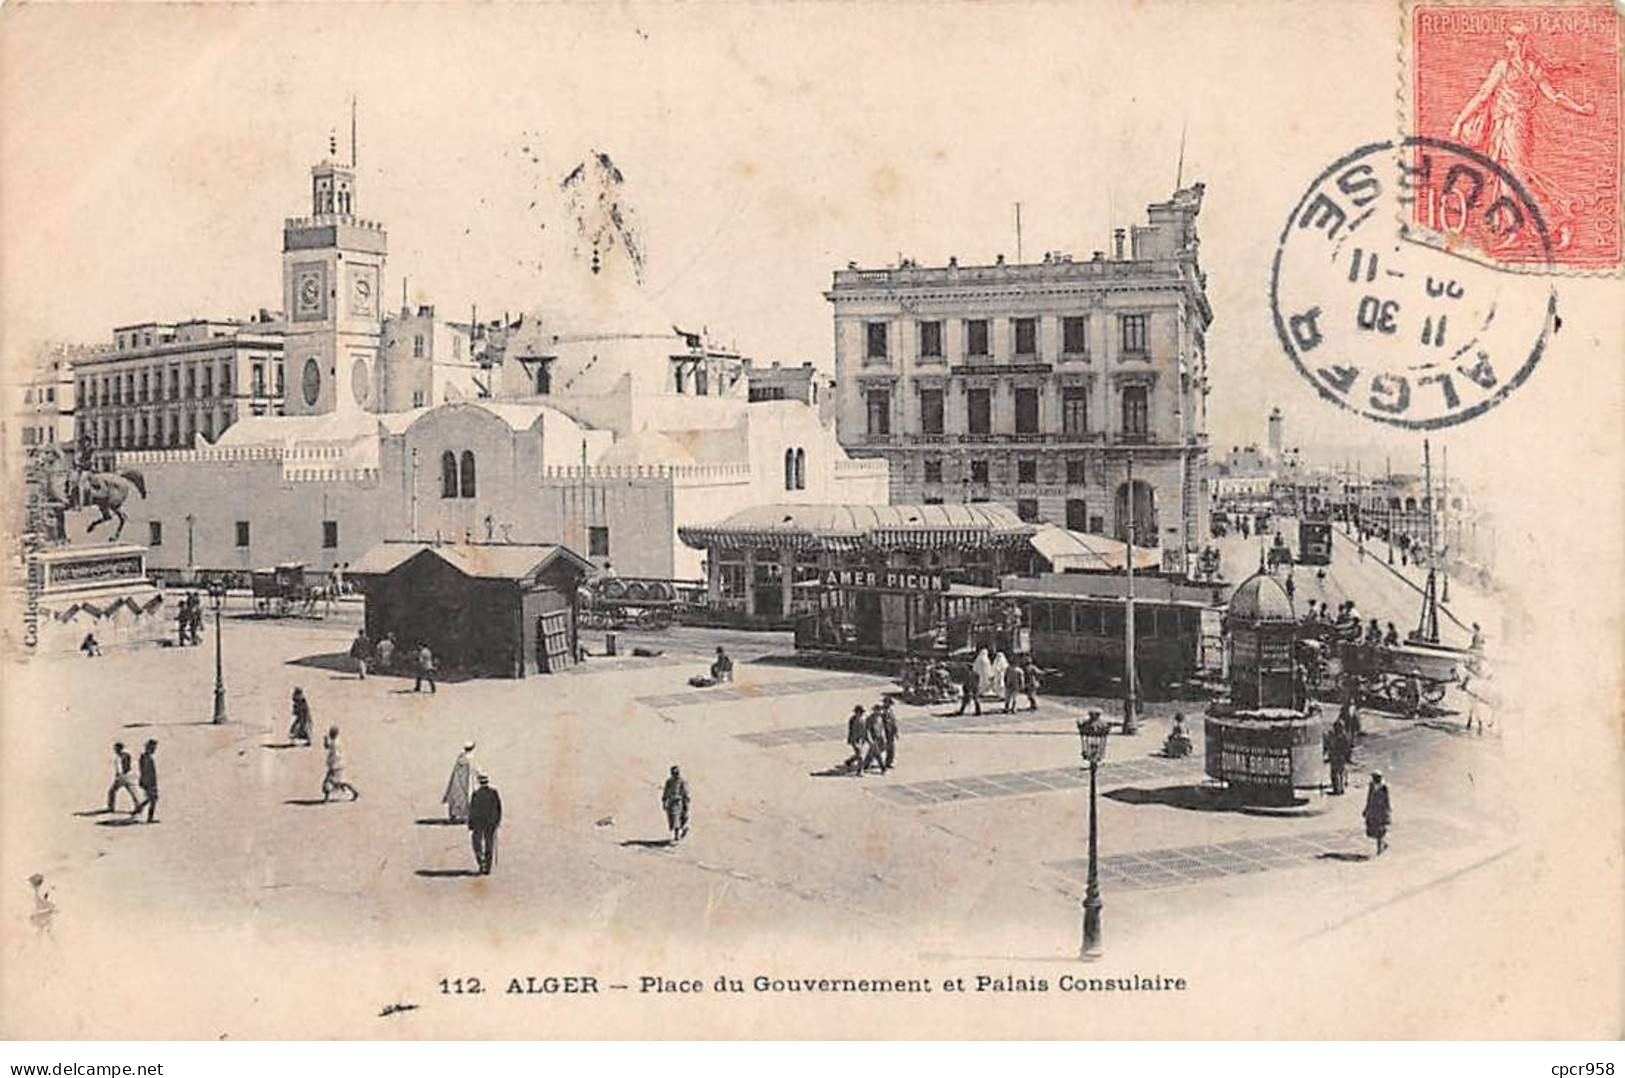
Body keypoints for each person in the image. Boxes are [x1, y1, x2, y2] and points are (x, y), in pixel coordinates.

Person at [468, 773, 502, 874]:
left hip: (478, 823)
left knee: (477, 844)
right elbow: (498, 809)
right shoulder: (493, 793)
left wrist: (471, 824)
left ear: (479, 782)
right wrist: (497, 821)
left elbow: (472, 810)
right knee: (489, 844)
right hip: (490, 823)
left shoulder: (476, 794)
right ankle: (487, 866)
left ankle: (481, 862)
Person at [321, 727, 359, 802]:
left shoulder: (334, 744)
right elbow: (328, 746)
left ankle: (326, 798)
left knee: (328, 782)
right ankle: (354, 792)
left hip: (335, 766)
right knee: (342, 782)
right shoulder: (337, 742)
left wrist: (332, 766)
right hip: (339, 766)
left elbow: (333, 753)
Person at [443, 742, 475, 823]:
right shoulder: (469, 758)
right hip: (466, 782)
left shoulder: (460, 758)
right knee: (466, 797)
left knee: (457, 797)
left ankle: (457, 815)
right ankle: (465, 816)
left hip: (458, 782)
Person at [106, 741, 140, 812]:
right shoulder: (127, 755)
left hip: (122, 776)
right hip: (129, 775)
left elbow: (119, 768)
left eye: (115, 748)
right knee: (133, 791)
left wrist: (118, 776)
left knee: (112, 791)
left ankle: (111, 807)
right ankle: (138, 805)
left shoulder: (118, 758)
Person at [1363, 771, 1392, 856]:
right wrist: (1366, 809)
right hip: (1373, 810)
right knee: (1373, 830)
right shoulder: (1371, 786)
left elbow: (1387, 800)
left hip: (1380, 811)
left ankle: (1380, 848)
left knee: (1380, 830)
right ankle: (1383, 844)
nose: (1375, 779)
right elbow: (1369, 798)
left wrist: (1387, 812)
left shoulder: (1384, 787)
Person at [130, 740, 159, 823]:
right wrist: (149, 783)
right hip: (149, 782)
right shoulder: (146, 758)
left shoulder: (145, 757)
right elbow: (146, 772)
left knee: (151, 798)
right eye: (153, 748)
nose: (154, 750)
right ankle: (149, 818)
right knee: (153, 799)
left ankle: (138, 808)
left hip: (148, 782)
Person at [661, 765, 690, 845]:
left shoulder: (682, 781)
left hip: (680, 802)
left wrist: (686, 802)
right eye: (673, 773)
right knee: (674, 820)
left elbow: (686, 792)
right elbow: (665, 792)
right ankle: (677, 835)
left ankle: (682, 831)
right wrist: (664, 801)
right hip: (671, 803)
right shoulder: (669, 782)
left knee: (681, 818)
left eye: (676, 772)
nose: (675, 774)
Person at [1324, 720, 1352, 795]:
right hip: (1341, 757)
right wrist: (1348, 757)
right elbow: (1348, 747)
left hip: (1335, 757)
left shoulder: (1334, 736)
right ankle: (1341, 788)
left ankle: (1337, 789)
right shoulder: (1345, 736)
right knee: (1341, 772)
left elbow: (1330, 746)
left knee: (1335, 773)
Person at [844, 705, 869, 774]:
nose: (860, 713)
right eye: (859, 712)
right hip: (854, 739)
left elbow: (866, 729)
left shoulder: (865, 719)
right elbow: (850, 730)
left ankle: (849, 761)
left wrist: (867, 738)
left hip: (861, 738)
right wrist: (849, 739)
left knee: (858, 754)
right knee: (860, 754)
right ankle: (860, 770)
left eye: (861, 712)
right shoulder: (852, 719)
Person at [862, 704, 887, 775]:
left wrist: (883, 737)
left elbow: (882, 728)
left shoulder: (880, 718)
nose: (879, 712)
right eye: (878, 710)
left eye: (880, 710)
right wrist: (870, 740)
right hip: (873, 738)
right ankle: (883, 768)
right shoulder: (870, 719)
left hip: (879, 737)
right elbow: (867, 730)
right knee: (877, 753)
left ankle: (865, 765)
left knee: (872, 752)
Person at [880, 698, 898, 772]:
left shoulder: (891, 711)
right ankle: (869, 760)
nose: (889, 705)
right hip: (884, 732)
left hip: (891, 732)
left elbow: (894, 722)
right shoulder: (881, 712)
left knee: (891, 747)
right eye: (887, 703)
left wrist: (896, 732)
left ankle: (889, 762)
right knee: (880, 748)